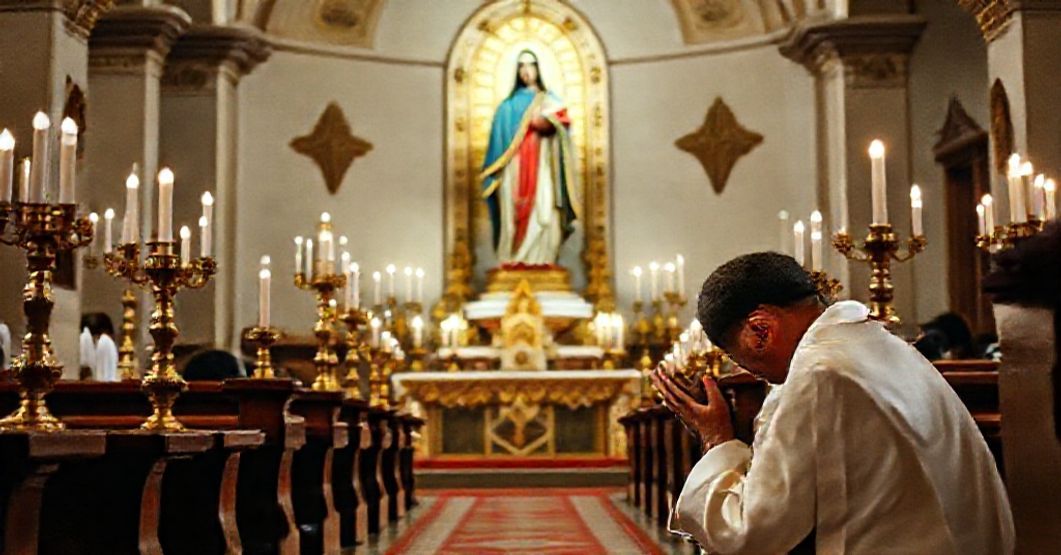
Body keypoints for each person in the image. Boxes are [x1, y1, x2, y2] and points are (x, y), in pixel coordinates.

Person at [652, 252, 1013, 554]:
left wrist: (716, 438)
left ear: (761, 329)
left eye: (738, 356)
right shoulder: (880, 344)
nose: (748, 371)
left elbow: (752, 535)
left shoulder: (818, 373)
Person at [480, 49, 581, 265]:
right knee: (513, 211)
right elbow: (497, 149)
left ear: (539, 69)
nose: (526, 71)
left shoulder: (550, 101)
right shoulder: (506, 108)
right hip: (514, 169)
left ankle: (542, 258)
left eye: (531, 66)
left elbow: (564, 129)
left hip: (543, 165)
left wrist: (548, 125)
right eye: (522, 67)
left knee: (544, 208)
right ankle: (514, 257)